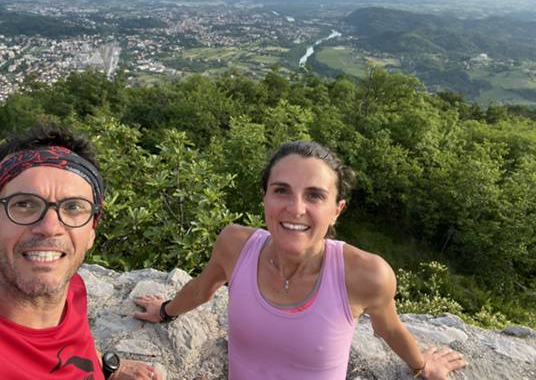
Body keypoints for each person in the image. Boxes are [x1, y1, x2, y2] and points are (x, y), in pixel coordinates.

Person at [134, 141, 468, 380]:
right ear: (264, 196)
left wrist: (423, 366)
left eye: (314, 195)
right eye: (281, 190)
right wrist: (165, 311)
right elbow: (203, 288)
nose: (295, 208)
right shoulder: (235, 245)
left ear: (337, 210)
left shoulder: (364, 274)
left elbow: (389, 328)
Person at [0, 123, 161, 380]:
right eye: (23, 204)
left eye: (73, 207)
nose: (50, 228)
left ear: (91, 233)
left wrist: (110, 367)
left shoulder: (71, 288)